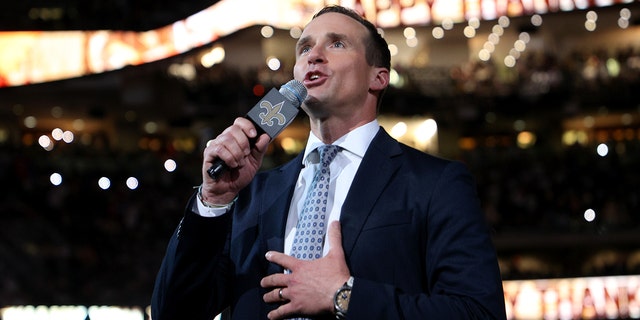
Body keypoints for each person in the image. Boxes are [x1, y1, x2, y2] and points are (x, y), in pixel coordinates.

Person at [151, 5, 506, 320]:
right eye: (304, 47)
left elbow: (478, 311)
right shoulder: (251, 193)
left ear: (377, 77)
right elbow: (173, 312)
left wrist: (345, 297)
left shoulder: (435, 183)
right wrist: (213, 201)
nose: (313, 55)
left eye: (336, 44)